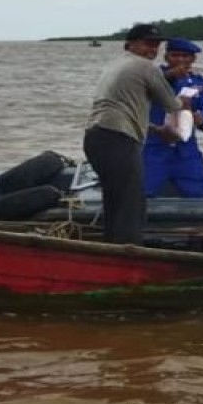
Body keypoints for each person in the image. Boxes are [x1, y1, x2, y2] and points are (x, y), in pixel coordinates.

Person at [83, 22, 183, 245]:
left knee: (115, 198)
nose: (152, 50)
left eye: (156, 45)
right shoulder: (145, 67)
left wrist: (157, 129)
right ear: (130, 44)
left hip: (96, 137)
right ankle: (128, 251)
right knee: (131, 201)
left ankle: (111, 247)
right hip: (117, 138)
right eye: (148, 43)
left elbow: (122, 108)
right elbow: (172, 103)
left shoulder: (115, 66)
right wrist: (185, 105)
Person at [142, 38, 203, 198]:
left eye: (185, 56)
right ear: (166, 57)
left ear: (193, 59)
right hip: (154, 146)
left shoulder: (199, 83)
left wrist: (202, 117)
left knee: (200, 192)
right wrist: (169, 76)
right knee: (143, 192)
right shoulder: (150, 78)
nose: (180, 60)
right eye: (175, 55)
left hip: (185, 149)